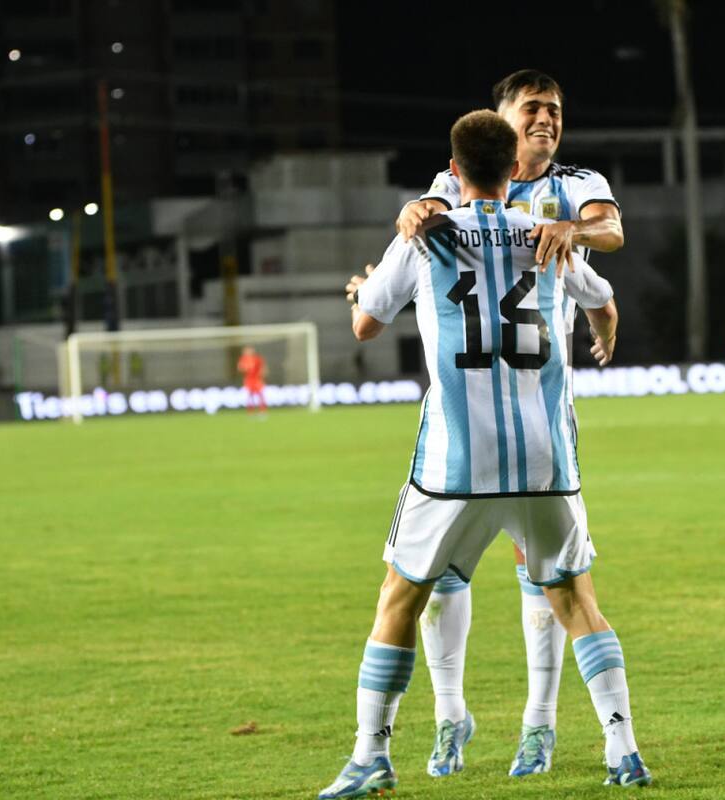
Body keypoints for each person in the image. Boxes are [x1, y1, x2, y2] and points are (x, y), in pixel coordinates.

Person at [317, 110, 650, 798]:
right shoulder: (545, 234)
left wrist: (363, 290)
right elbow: (604, 300)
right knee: (575, 599)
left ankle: (372, 755)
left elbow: (365, 323)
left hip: (456, 465)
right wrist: (605, 333)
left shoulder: (425, 236)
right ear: (513, 168)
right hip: (544, 459)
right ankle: (623, 749)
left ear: (454, 169)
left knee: (400, 598)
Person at [394, 69, 624, 779]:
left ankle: (539, 726)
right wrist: (410, 212)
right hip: (465, 409)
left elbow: (611, 230)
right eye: (533, 109)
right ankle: (449, 717)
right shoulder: (458, 178)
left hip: (537, 406)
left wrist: (571, 229)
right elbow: (424, 213)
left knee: (541, 574)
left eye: (555, 109)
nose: (547, 119)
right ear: (501, 121)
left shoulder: (576, 183)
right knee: (443, 577)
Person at [237, 346, 267, 414]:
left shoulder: (257, 358)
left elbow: (263, 367)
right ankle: (250, 410)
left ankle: (262, 410)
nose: (248, 352)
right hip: (249, 379)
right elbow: (240, 368)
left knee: (260, 394)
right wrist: (244, 368)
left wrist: (262, 374)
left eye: (249, 350)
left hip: (257, 379)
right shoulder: (243, 359)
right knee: (250, 394)